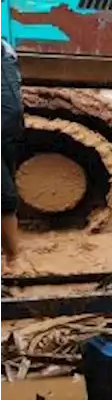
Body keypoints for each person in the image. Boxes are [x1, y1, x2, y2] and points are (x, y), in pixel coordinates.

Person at [0, 37, 28, 275]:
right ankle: (13, 259)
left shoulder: (5, 52)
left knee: (6, 192)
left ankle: (11, 257)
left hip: (7, 135)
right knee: (5, 196)